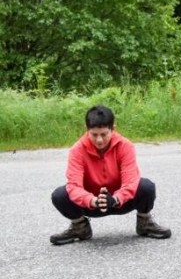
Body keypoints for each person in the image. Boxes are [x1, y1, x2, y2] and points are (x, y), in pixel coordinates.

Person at [50, 105, 172, 245]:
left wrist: (115, 199)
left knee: (146, 187)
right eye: (94, 135)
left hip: (120, 201)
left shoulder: (126, 146)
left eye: (104, 134)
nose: (99, 140)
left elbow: (131, 182)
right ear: (87, 130)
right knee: (60, 195)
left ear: (113, 129)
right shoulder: (77, 150)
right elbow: (74, 186)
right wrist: (93, 200)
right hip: (92, 203)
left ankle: (144, 223)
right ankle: (80, 228)